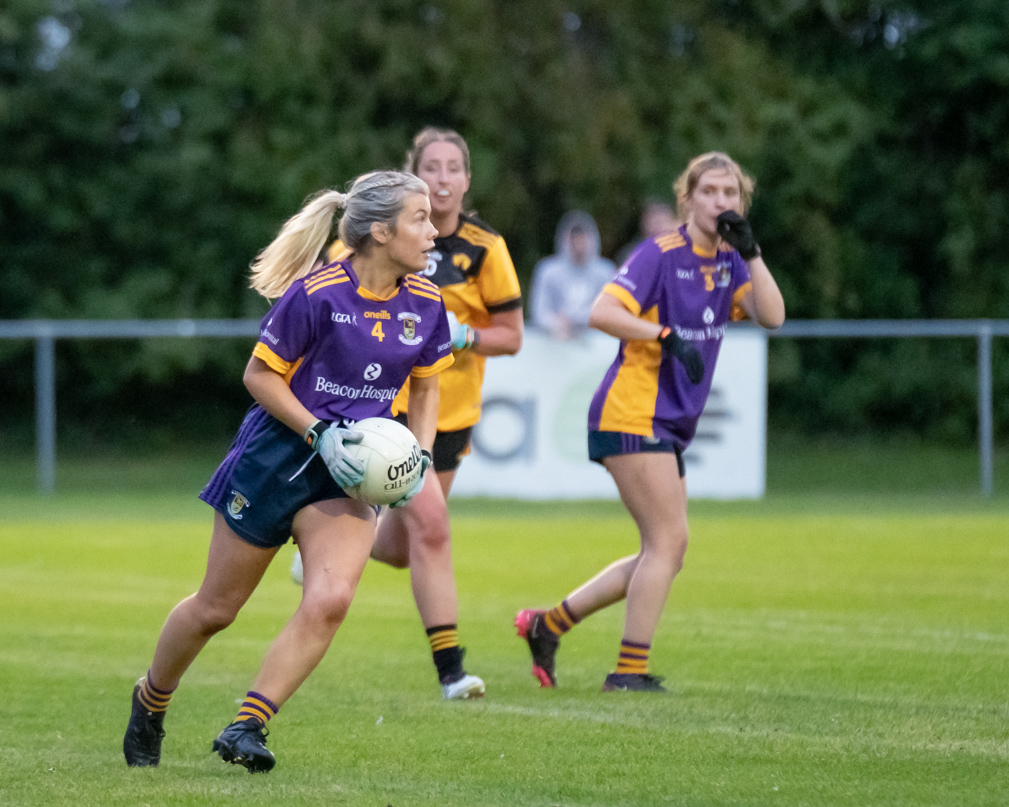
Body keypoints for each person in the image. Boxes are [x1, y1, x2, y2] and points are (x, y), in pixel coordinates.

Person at [123, 170, 453, 772]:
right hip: (279, 456)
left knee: (329, 598)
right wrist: (318, 433)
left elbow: (428, 388)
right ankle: (150, 700)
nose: (434, 230)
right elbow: (258, 376)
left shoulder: (428, 303)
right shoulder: (318, 292)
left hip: (349, 474)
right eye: (421, 219)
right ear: (380, 232)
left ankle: (246, 726)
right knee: (216, 609)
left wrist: (421, 457)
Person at [516, 151, 785, 693]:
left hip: (665, 421)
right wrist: (664, 335)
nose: (721, 202)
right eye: (709, 191)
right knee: (667, 543)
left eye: (730, 193)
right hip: (631, 410)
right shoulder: (659, 254)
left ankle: (549, 625)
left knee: (663, 550)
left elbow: (773, 316)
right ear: (687, 199)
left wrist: (752, 254)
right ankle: (628, 672)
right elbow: (601, 312)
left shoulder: (732, 260)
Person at [297, 127, 523, 699]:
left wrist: (464, 335)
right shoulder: (371, 240)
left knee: (402, 546)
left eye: (454, 168)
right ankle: (452, 672)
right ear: (414, 175)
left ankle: (311, 541)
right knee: (434, 525)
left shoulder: (484, 247)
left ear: (468, 180)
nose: (444, 179)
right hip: (385, 408)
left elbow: (513, 335)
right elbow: (327, 305)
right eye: (433, 168)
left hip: (451, 410)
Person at [529, 210, 616, 340]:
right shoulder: (548, 271)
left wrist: (575, 319)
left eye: (583, 237)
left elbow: (610, 312)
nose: (579, 243)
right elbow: (538, 312)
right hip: (556, 340)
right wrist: (555, 323)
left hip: (595, 341)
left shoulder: (606, 272)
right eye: (574, 238)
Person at [614, 198, 679, 266]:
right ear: (644, 223)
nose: (662, 227)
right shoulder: (632, 253)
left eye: (666, 222)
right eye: (656, 223)